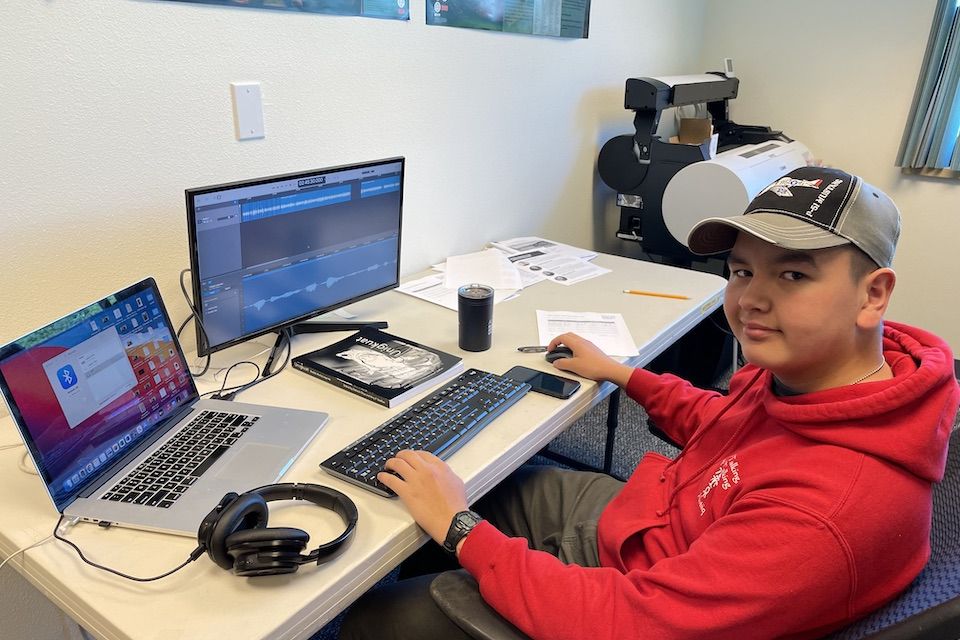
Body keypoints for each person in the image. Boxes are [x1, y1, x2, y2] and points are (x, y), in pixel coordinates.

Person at [338, 166, 960, 640]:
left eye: (792, 275)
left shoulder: (829, 511)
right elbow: (728, 427)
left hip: (635, 600)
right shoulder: (828, 379)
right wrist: (621, 374)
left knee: (368, 616)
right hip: (660, 522)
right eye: (742, 271)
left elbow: (627, 621)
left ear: (873, 293)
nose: (751, 301)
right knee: (472, 481)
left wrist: (461, 530)